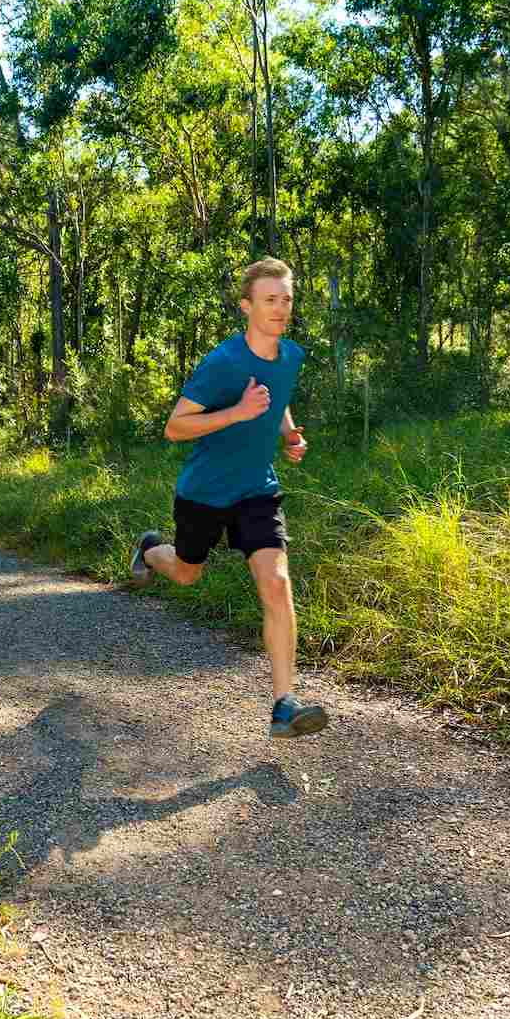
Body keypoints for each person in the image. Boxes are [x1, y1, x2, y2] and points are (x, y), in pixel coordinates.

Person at [129, 257, 327, 738]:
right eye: (269, 300)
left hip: (257, 490)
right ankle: (151, 551)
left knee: (277, 583)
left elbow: (276, 400)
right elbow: (175, 427)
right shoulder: (222, 362)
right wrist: (237, 413)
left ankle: (284, 704)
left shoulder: (292, 356)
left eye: (286, 299)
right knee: (187, 572)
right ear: (246, 306)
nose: (280, 308)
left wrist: (287, 434)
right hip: (204, 493)